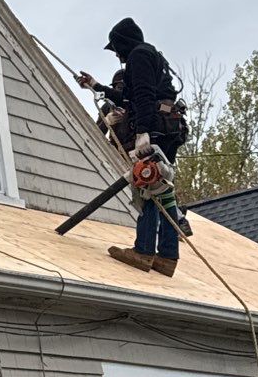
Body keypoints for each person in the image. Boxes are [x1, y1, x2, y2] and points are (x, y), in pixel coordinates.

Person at [79, 17, 188, 277]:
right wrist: (96, 86)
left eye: (116, 48)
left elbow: (143, 97)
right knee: (160, 189)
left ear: (123, 43)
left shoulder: (139, 56)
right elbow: (128, 98)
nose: (116, 54)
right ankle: (167, 256)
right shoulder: (149, 56)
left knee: (148, 184)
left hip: (155, 129)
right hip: (167, 127)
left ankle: (143, 251)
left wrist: (143, 133)